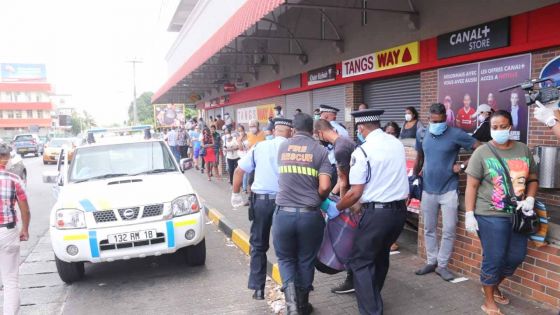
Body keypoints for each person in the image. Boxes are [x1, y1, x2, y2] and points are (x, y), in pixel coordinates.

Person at [322, 109, 409, 315]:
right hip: (398, 213)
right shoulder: (396, 143)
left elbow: (355, 192)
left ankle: (371, 310)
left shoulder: (362, 152)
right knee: (381, 256)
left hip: (376, 215)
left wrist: (337, 207)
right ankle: (372, 296)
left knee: (360, 261)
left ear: (361, 127)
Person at [464, 110, 538, 315]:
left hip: (517, 214)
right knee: (494, 258)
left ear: (510, 127)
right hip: (490, 215)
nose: (498, 130)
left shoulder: (523, 149)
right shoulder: (482, 152)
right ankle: (488, 300)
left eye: (502, 126)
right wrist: (469, 214)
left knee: (516, 257)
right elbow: (471, 186)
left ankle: (493, 284)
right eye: (494, 127)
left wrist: (530, 198)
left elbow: (532, 178)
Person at [273, 113, 331, 314]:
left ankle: (292, 308)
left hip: (283, 215)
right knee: (306, 260)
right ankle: (303, 305)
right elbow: (324, 187)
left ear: (293, 130)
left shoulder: (282, 147)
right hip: (309, 216)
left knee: (286, 259)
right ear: (313, 130)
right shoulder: (320, 151)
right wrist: (317, 197)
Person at [414, 103, 480, 281]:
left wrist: (463, 166)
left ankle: (442, 265)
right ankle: (431, 261)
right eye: (434, 120)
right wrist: (414, 176)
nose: (437, 123)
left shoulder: (455, 133)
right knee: (429, 228)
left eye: (441, 120)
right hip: (428, 189)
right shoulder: (422, 133)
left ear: (446, 118)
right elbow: (419, 156)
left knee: (449, 229)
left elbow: (480, 147)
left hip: (449, 189)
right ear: (429, 118)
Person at [231, 118, 293, 301]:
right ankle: (290, 292)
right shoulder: (294, 149)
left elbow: (239, 171)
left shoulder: (260, 147)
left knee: (258, 245)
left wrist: (235, 193)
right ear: (290, 132)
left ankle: (258, 288)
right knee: (287, 249)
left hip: (262, 202)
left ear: (273, 131)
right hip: (286, 202)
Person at [314, 119, 357, 295]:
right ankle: (353, 277)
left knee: (348, 240)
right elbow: (341, 180)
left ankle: (352, 279)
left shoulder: (340, 148)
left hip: (353, 202)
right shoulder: (346, 142)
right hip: (354, 198)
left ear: (320, 133)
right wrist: (331, 195)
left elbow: (345, 181)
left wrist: (338, 206)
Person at [0, 144, 30, 315]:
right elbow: (25, 209)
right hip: (7, 232)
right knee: (10, 280)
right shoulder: (14, 179)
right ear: (6, 158)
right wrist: (25, 229)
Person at [237, 125, 250, 193]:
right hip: (243, 157)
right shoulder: (238, 138)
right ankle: (245, 188)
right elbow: (240, 148)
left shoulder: (248, 136)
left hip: (249, 155)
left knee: (249, 173)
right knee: (245, 173)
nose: (241, 132)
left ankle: (249, 186)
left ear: (244, 130)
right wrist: (240, 140)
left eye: (241, 130)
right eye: (239, 131)